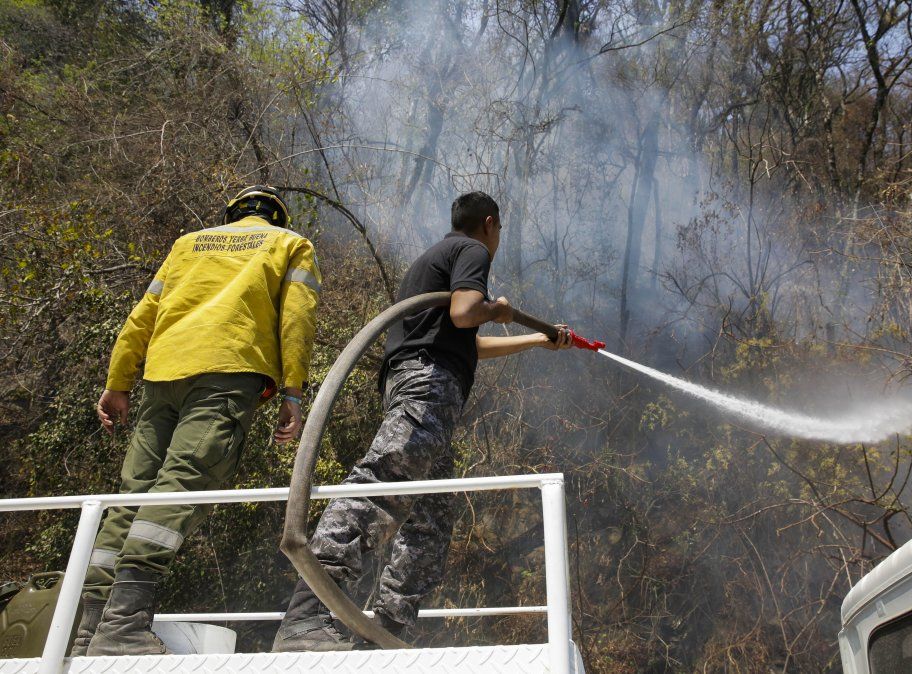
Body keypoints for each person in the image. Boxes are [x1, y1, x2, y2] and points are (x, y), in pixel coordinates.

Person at [272, 191, 572, 652]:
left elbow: (466, 341)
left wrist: (534, 340)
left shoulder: (432, 260)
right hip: (428, 384)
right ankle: (307, 614)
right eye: (498, 230)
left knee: (430, 520)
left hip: (426, 385)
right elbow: (466, 313)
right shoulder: (470, 250)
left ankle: (385, 632)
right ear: (489, 223)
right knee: (384, 479)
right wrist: (498, 311)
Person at [74, 186, 321, 657]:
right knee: (183, 482)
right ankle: (123, 626)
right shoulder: (290, 244)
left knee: (134, 492)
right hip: (227, 372)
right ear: (277, 216)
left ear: (231, 214)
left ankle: (91, 627)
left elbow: (142, 316)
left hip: (163, 374)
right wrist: (293, 391)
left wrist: (118, 382)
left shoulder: (187, 244)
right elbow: (297, 319)